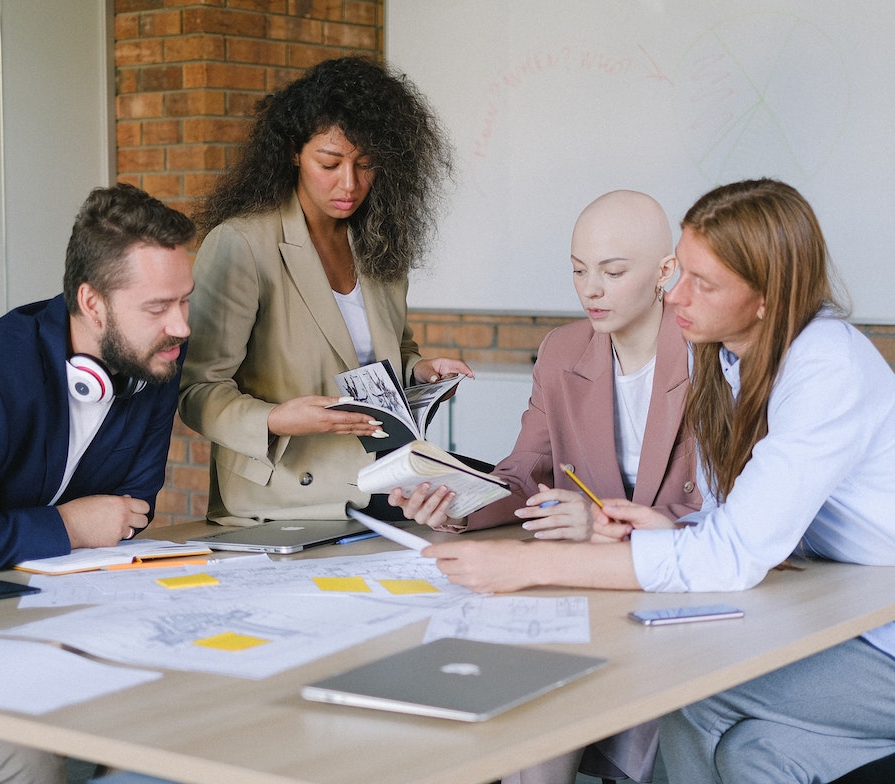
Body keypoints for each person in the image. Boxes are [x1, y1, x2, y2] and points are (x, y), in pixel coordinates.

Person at [420, 178, 895, 783]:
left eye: (704, 283)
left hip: (876, 630)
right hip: (848, 601)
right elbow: (741, 522)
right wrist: (674, 526)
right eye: (682, 275)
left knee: (693, 692)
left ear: (767, 299)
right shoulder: (730, 359)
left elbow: (732, 556)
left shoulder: (826, 365)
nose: (675, 297)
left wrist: (530, 567)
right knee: (754, 757)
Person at [391, 190, 701, 784]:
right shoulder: (563, 351)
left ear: (666, 272)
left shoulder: (710, 354)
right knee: (506, 697)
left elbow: (725, 512)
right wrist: (453, 502)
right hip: (578, 587)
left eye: (612, 272)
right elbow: (522, 475)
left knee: (548, 704)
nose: (592, 290)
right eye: (579, 271)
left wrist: (600, 523)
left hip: (676, 589)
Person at [0, 183, 195, 782]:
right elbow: (97, 524)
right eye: (158, 306)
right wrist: (63, 526)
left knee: (190, 698)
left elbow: (130, 512)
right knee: (29, 753)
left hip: (63, 612)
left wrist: (90, 530)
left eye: (185, 301)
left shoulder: (156, 357)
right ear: (91, 303)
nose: (183, 326)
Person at [178, 56, 472, 525]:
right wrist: (276, 420)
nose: (350, 184)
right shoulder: (243, 244)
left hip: (385, 482)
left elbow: (392, 350)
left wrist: (421, 373)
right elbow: (196, 390)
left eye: (367, 164)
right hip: (288, 499)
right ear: (294, 151)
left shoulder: (378, 240)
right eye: (330, 163)